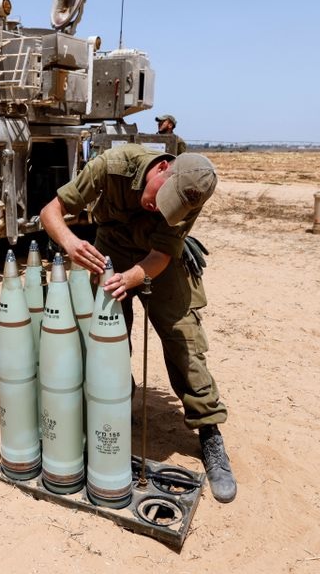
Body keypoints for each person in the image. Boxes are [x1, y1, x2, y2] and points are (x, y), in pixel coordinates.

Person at [39, 145, 237, 503]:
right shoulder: (111, 167)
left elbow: (161, 255)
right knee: (105, 336)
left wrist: (134, 277)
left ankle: (209, 433)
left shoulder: (194, 193)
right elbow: (51, 210)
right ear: (162, 168)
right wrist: (70, 242)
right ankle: (113, 404)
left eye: (170, 208)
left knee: (183, 337)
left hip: (156, 259)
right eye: (162, 197)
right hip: (110, 248)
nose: (159, 208)